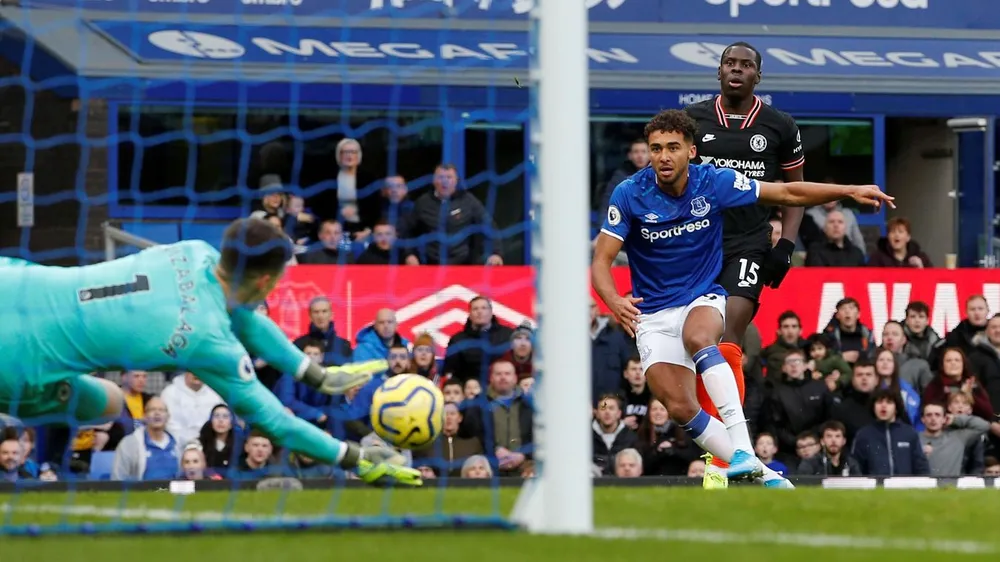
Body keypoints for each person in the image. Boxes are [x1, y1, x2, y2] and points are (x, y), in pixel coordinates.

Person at [591, 109, 893, 489]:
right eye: (655, 148)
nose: (663, 156)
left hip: (701, 297)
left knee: (699, 338)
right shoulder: (630, 193)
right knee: (681, 407)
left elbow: (787, 191)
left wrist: (848, 191)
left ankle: (745, 452)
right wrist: (613, 300)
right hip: (651, 314)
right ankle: (762, 472)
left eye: (672, 147)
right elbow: (601, 261)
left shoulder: (714, 182)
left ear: (692, 151)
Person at [0, 218, 420, 487]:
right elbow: (277, 423)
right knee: (109, 402)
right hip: (15, 363)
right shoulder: (209, 342)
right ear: (265, 284)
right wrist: (357, 457)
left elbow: (243, 315)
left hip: (14, 281)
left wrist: (316, 374)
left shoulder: (195, 251)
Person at [684, 41, 806, 487]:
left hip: (748, 245)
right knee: (696, 344)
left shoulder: (779, 126)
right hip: (695, 244)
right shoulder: (693, 121)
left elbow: (797, 191)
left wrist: (785, 245)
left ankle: (722, 464)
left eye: (746, 65)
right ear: (718, 72)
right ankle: (724, 444)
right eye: (730, 63)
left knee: (729, 331)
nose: (737, 70)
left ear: (758, 76)